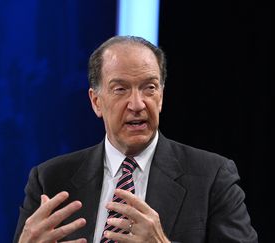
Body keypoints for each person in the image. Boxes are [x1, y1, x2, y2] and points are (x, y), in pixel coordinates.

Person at [13, 35, 258, 243]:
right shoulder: (50, 180)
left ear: (160, 97)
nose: (137, 104)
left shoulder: (212, 177)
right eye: (120, 89)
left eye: (149, 88)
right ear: (96, 101)